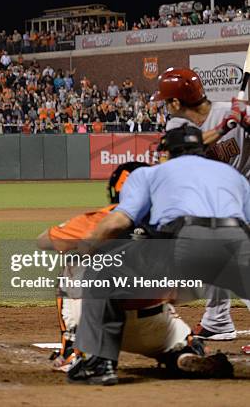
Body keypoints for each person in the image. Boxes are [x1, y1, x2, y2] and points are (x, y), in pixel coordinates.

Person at [68, 125, 250, 385]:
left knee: (104, 268)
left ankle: (100, 364)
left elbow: (116, 223)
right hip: (236, 244)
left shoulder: (149, 173)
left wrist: (86, 249)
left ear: (168, 152)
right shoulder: (234, 176)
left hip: (182, 244)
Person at [152, 67, 250, 341]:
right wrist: (225, 127)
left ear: (175, 102)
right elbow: (184, 150)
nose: (165, 107)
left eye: (166, 101)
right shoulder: (177, 125)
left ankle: (217, 320)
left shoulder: (232, 111)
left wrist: (245, 120)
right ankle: (217, 320)